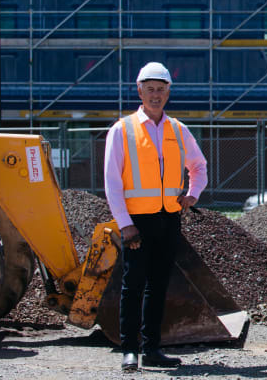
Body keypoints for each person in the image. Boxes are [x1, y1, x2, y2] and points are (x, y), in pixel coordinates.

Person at [103, 61, 208, 372]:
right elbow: (111, 182)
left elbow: (198, 166)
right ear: (140, 91)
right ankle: (129, 350)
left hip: (168, 219)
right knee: (132, 286)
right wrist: (126, 226)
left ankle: (151, 349)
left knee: (158, 285)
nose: (155, 95)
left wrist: (193, 194)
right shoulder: (122, 130)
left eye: (161, 90)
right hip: (137, 223)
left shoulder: (178, 129)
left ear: (168, 92)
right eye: (150, 89)